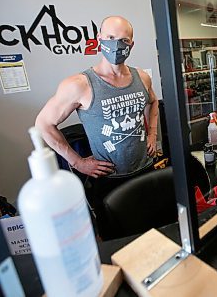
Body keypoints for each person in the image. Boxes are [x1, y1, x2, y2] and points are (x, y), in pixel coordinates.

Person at [35, 16, 159, 237]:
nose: (116, 44)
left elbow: (153, 102)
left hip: (145, 171)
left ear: (132, 44)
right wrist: (77, 162)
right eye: (110, 38)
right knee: (119, 240)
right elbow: (43, 124)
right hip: (109, 180)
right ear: (99, 39)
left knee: (153, 231)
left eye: (123, 39)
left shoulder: (142, 77)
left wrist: (152, 135)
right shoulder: (79, 85)